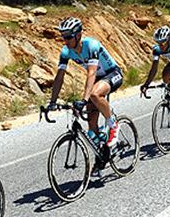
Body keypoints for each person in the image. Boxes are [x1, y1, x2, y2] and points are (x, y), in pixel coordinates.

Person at [47, 17, 123, 146]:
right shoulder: (66, 51)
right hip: (97, 80)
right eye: (63, 37)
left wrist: (84, 100)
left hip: (112, 73)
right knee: (92, 126)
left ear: (78, 35)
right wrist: (52, 102)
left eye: (68, 37)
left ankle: (113, 124)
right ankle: (103, 151)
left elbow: (91, 72)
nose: (65, 41)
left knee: (94, 94)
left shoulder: (91, 45)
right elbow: (59, 77)